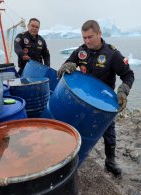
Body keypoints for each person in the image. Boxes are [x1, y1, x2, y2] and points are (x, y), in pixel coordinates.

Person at [57, 20, 135, 176]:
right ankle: (67, 158)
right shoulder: (81, 52)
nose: (86, 41)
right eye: (84, 37)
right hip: (81, 99)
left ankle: (110, 161)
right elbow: (65, 67)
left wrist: (123, 91)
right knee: (73, 127)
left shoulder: (113, 54)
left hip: (103, 102)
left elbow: (128, 74)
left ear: (99, 33)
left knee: (109, 131)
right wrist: (67, 66)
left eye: (90, 37)